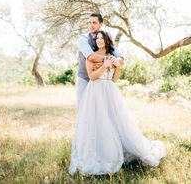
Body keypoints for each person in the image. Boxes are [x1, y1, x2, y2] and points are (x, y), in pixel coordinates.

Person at [69, 31, 166, 175]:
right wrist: (104, 66)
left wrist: (116, 66)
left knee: (116, 120)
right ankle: (101, 154)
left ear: (107, 40)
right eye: (97, 39)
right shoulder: (90, 57)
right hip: (95, 91)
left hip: (110, 91)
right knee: (98, 121)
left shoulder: (112, 57)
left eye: (102, 38)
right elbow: (92, 76)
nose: (99, 41)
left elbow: (115, 79)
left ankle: (123, 148)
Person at [76, 13, 124, 111]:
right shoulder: (83, 39)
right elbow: (91, 57)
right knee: (83, 110)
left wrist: (112, 62)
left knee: (101, 110)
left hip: (102, 83)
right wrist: (109, 61)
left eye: (94, 22)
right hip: (84, 78)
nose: (91, 25)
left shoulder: (106, 38)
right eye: (89, 23)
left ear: (101, 24)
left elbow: (121, 60)